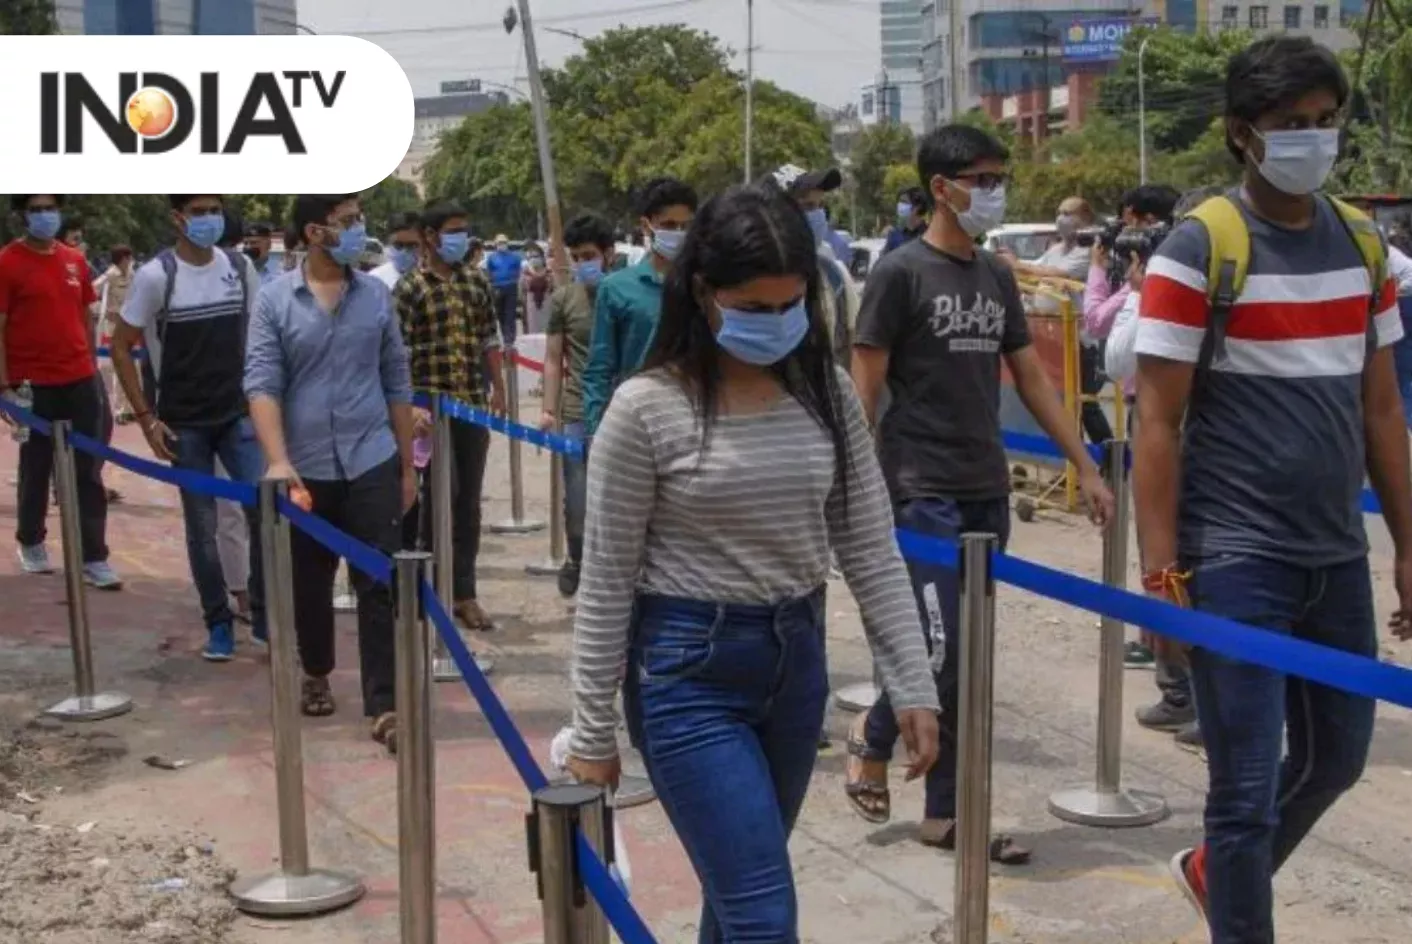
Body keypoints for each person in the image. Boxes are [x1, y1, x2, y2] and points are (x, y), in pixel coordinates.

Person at [565, 183, 941, 941]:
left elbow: (869, 544)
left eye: (789, 305)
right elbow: (606, 581)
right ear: (703, 293)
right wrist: (591, 732)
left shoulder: (827, 394)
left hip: (796, 668)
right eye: (753, 307)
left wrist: (910, 682)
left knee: (737, 895)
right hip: (688, 674)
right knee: (763, 913)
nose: (774, 323)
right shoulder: (645, 410)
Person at [1132, 37, 1412, 942]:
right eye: (1292, 123)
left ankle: (1214, 875)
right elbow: (1156, 423)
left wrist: (1408, 547)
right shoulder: (1197, 249)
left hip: (1335, 555)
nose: (1314, 138)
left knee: (1337, 760)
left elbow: (1381, 410)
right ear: (1242, 133)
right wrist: (1161, 579)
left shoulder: (1364, 244)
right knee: (1244, 792)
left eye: (1326, 121)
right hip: (1235, 557)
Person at [843, 125, 1114, 863]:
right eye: (982, 179)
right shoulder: (899, 274)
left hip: (984, 491)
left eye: (1000, 178)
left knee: (969, 658)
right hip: (919, 489)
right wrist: (853, 492)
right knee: (941, 650)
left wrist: (1085, 465)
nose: (995, 191)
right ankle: (879, 739)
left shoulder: (995, 275)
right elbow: (864, 388)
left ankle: (943, 811)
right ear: (942, 187)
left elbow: (1032, 378)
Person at [245, 193, 416, 753]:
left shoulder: (375, 297)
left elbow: (395, 378)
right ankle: (316, 670)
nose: (358, 229)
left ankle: (384, 704)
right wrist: (278, 459)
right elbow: (262, 383)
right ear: (314, 232)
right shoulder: (275, 300)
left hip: (371, 457)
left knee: (379, 582)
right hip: (306, 466)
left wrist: (405, 465)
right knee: (309, 582)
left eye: (359, 218)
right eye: (347, 221)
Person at [110, 195, 265, 660]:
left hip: (238, 416)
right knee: (202, 528)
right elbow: (121, 346)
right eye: (199, 212)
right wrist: (146, 418)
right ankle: (218, 622)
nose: (209, 220)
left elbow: (260, 336)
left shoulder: (239, 268)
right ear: (178, 219)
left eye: (214, 210)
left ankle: (264, 615)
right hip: (184, 422)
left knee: (266, 514)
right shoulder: (157, 276)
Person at [394, 200, 506, 632]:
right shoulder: (410, 288)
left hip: (470, 405)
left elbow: (489, 336)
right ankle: (431, 588)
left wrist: (498, 387)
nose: (460, 237)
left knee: (468, 502)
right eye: (452, 230)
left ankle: (464, 593)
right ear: (430, 237)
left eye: (464, 229)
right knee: (440, 496)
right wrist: (409, 406)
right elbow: (397, 354)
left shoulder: (476, 281)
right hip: (429, 411)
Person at [0, 196, 121, 588]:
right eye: (36, 209)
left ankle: (94, 557)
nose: (45, 215)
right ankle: (31, 540)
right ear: (22, 216)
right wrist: (4, 385)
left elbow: (84, 315)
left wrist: (90, 365)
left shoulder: (74, 260)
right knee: (36, 467)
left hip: (79, 378)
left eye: (50, 207)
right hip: (31, 385)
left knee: (88, 470)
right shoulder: (7, 262)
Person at [537, 214, 616, 597]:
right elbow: (554, 358)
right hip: (576, 411)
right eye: (578, 256)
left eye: (590, 255)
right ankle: (578, 559)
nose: (584, 263)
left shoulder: (624, 294)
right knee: (578, 497)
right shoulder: (563, 299)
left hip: (620, 411)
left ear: (608, 254)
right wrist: (548, 409)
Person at [581, 177, 698, 436]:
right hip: (636, 425)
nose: (679, 233)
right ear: (647, 226)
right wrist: (595, 430)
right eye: (669, 225)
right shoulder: (616, 288)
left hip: (694, 423)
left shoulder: (704, 286)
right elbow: (599, 368)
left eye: (686, 226)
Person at [771, 164, 859, 366]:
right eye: (808, 206)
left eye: (820, 205)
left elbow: (853, 349)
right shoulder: (751, 283)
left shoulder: (835, 276)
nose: (818, 215)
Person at [93, 245, 136, 423]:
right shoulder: (110, 276)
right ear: (123, 259)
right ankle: (120, 411)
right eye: (129, 258)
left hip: (130, 325)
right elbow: (92, 291)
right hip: (113, 326)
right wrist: (102, 311)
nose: (131, 261)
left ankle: (131, 408)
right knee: (118, 367)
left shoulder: (132, 275)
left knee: (134, 367)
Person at [484, 234, 523, 345]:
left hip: (511, 286)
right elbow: (489, 271)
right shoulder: (492, 258)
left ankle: (510, 338)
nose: (502, 245)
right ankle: (505, 334)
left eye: (504, 243)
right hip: (497, 287)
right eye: (500, 243)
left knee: (510, 313)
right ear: (496, 245)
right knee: (500, 313)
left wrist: (515, 280)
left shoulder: (514, 257)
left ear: (507, 243)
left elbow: (518, 270)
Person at [370, 211, 422, 291]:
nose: (405, 251)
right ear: (388, 243)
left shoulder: (437, 275)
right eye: (398, 245)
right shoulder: (374, 280)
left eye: (411, 245)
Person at [884, 186, 928, 254]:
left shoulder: (929, 235)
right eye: (899, 202)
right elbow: (885, 259)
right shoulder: (894, 235)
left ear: (917, 207)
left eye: (904, 202)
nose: (899, 205)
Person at [520, 245, 552, 334]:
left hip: (546, 303)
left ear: (542, 257)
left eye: (536, 256)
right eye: (532, 257)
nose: (534, 259)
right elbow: (523, 288)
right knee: (533, 327)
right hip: (532, 304)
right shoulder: (526, 272)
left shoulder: (549, 272)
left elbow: (552, 286)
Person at [242, 222, 280, 286]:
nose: (248, 247)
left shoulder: (279, 271)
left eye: (253, 243)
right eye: (245, 243)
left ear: (268, 244)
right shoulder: (239, 271)